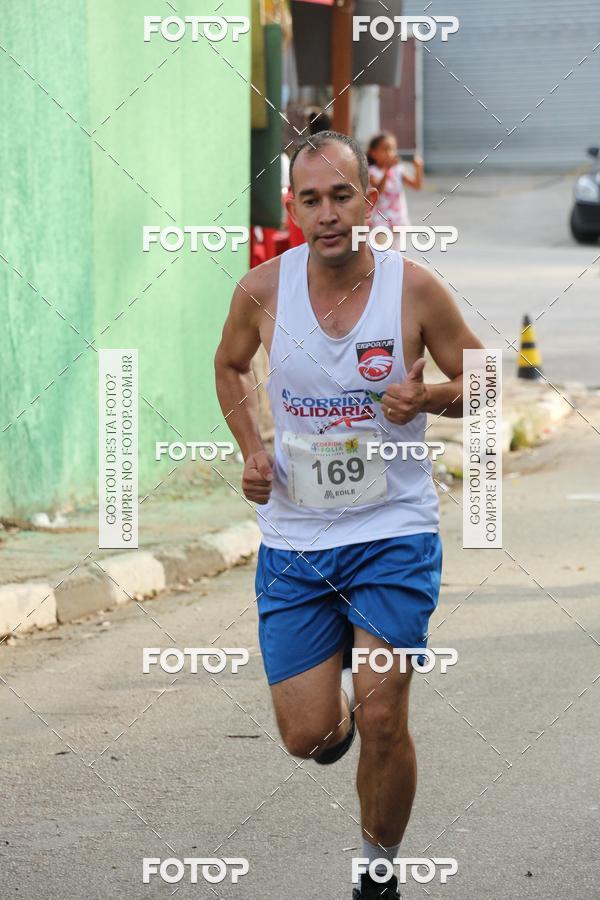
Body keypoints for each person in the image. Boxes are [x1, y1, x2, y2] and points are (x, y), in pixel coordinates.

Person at [214, 131, 482, 899]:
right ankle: (334, 720)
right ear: (291, 207)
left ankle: (378, 873)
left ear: (369, 197)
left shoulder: (415, 290)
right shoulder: (262, 290)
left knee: (384, 714)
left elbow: (485, 379)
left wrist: (430, 395)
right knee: (307, 736)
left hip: (392, 532)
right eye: (310, 200)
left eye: (341, 196)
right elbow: (230, 364)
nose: (327, 214)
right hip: (296, 539)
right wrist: (253, 448)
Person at [367, 132, 424, 249]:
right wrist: (387, 170)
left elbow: (417, 186)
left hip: (397, 220)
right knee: (381, 252)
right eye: (385, 149)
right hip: (380, 220)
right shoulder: (371, 172)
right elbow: (379, 190)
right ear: (373, 153)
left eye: (392, 149)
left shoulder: (398, 170)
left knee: (395, 253)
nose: (389, 153)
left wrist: (418, 168)